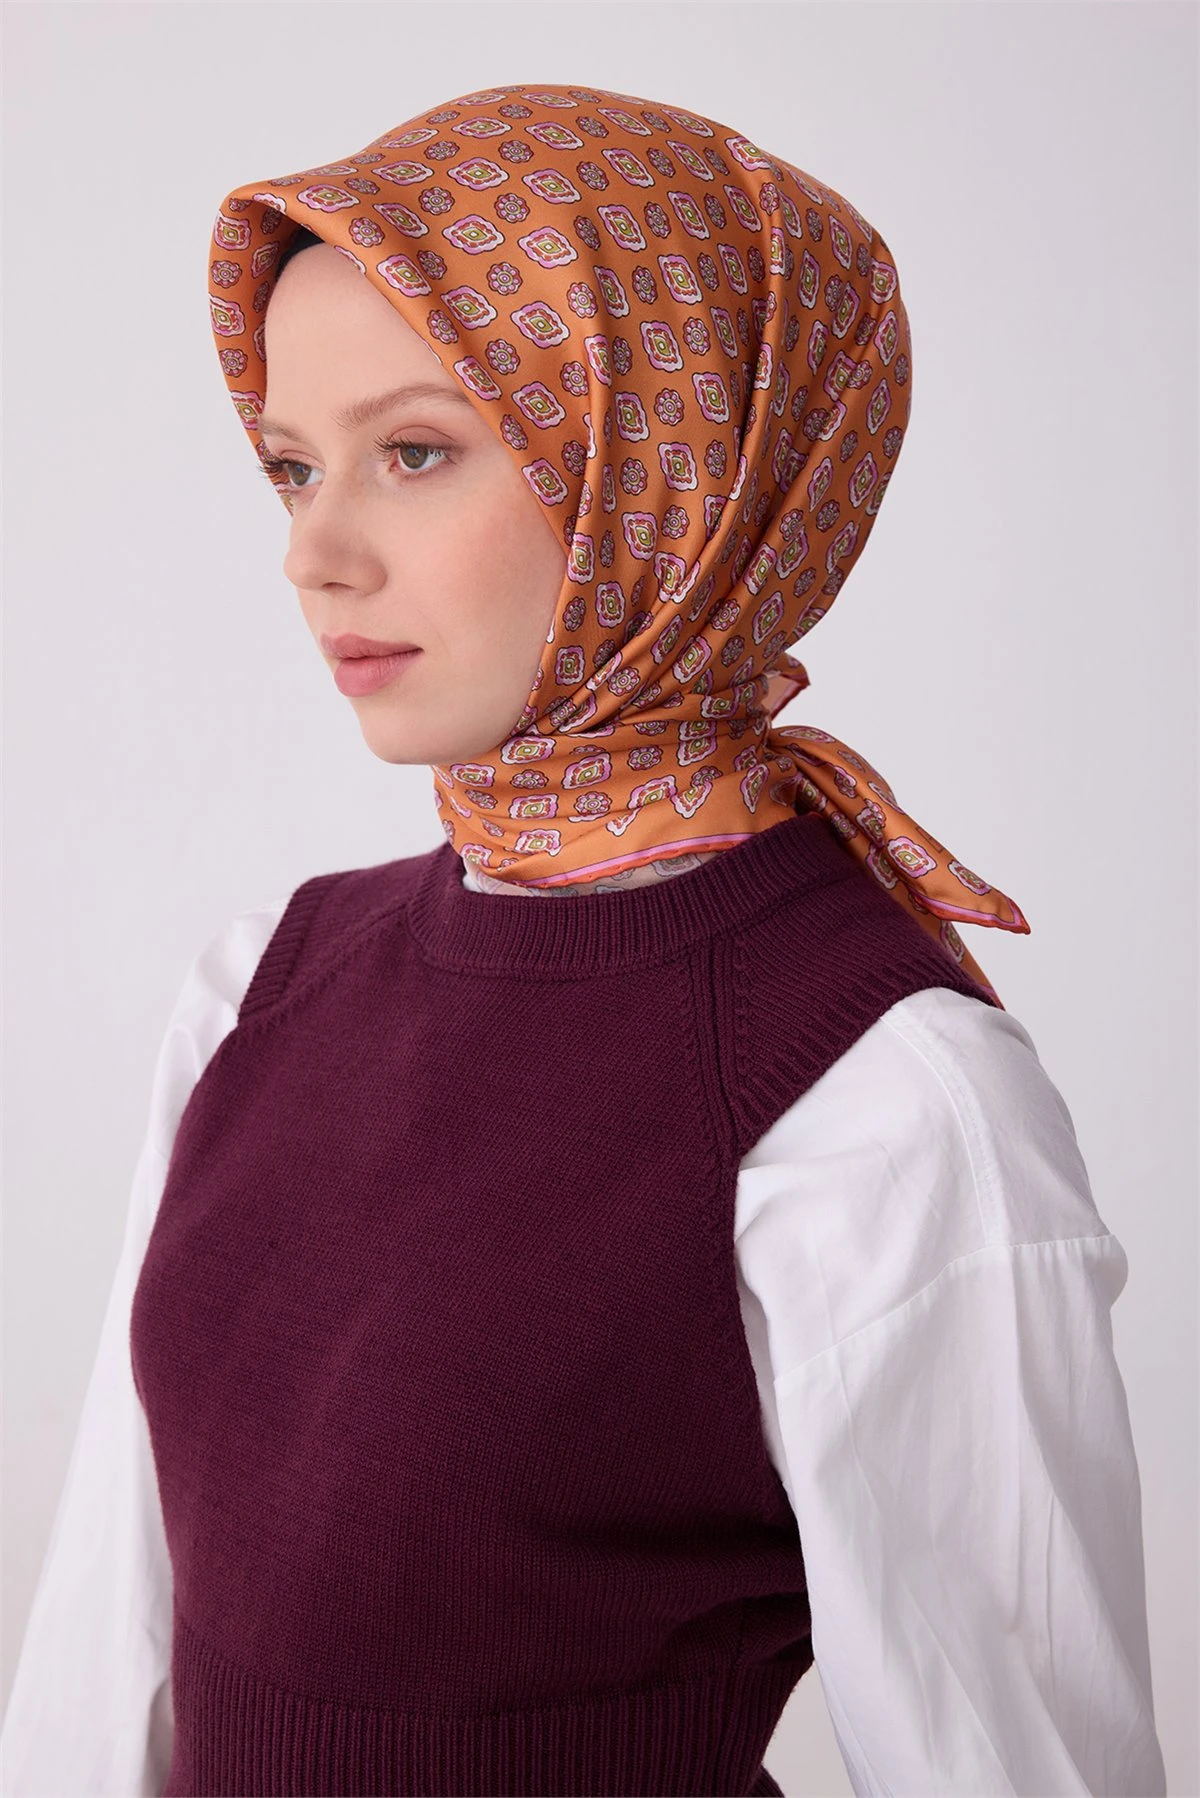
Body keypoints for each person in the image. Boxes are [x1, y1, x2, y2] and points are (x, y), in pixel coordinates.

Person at [0, 82, 1166, 1798]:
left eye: (415, 452)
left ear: (664, 469)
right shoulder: (261, 985)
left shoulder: (879, 1091)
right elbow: (107, 1669)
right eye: (291, 466)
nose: (315, 551)